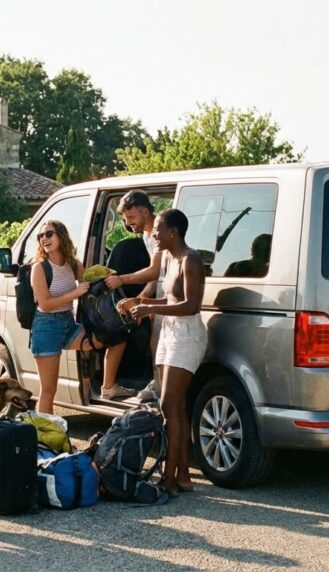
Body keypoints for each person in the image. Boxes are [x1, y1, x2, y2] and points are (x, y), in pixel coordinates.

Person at [128, 209, 207, 498]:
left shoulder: (191, 260)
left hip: (186, 335)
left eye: (159, 229)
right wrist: (141, 302)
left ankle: (169, 479)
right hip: (170, 331)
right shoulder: (169, 259)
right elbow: (172, 298)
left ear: (173, 232)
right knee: (178, 407)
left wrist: (151, 309)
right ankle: (183, 474)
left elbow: (191, 305)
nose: (154, 234)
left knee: (168, 406)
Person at [30, 220, 101, 413]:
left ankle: (102, 385)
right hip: (46, 326)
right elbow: (44, 303)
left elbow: (90, 284)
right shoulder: (40, 268)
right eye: (41, 236)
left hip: (67, 323)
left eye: (49, 234)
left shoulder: (73, 264)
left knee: (100, 340)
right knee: (48, 390)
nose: (44, 239)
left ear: (61, 235)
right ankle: (45, 437)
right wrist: (74, 294)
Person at [104, 190, 167, 401]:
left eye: (131, 217)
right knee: (154, 341)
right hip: (162, 295)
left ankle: (161, 385)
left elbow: (154, 271)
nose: (128, 223)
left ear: (145, 211)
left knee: (158, 343)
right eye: (125, 219)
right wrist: (141, 300)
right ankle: (157, 382)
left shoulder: (159, 232)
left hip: (173, 297)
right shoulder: (147, 235)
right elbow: (155, 279)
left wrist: (122, 279)